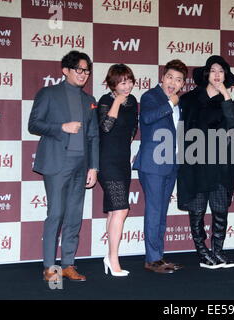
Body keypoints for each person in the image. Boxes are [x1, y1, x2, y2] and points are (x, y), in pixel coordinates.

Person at [28, 51, 99, 282]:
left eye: (86, 70)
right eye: (79, 69)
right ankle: (50, 267)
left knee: (74, 216)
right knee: (56, 214)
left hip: (82, 165)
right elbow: (34, 124)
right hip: (58, 163)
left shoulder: (89, 100)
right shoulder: (48, 93)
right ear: (65, 70)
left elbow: (94, 136)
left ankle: (68, 264)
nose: (83, 74)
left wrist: (94, 167)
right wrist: (62, 127)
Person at [177, 55, 234, 269]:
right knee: (197, 210)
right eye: (213, 70)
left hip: (222, 164)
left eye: (221, 71)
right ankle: (202, 252)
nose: (216, 75)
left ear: (225, 75)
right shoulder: (189, 99)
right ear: (206, 74)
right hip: (196, 163)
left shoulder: (229, 101)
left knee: (221, 209)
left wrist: (225, 94)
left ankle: (218, 251)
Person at [132, 60, 188, 274]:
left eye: (179, 80)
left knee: (161, 212)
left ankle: (158, 257)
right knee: (154, 211)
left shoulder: (178, 103)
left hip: (171, 163)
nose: (174, 82)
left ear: (183, 83)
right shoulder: (150, 97)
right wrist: (170, 103)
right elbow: (146, 118)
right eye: (171, 77)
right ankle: (152, 259)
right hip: (153, 164)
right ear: (163, 77)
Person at [97, 64, 138, 277]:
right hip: (107, 161)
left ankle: (109, 256)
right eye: (122, 81)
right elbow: (105, 127)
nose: (127, 85)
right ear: (113, 84)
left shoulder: (133, 103)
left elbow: (131, 130)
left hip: (123, 161)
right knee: (122, 210)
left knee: (115, 211)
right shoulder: (105, 100)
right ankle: (113, 258)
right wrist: (116, 102)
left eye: (129, 80)